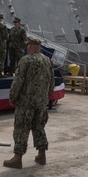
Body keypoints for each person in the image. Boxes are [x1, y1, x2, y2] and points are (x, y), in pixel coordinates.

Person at [4, 35, 53, 169]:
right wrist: (45, 97)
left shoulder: (25, 60)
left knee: (21, 127)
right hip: (41, 102)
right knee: (39, 126)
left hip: (27, 102)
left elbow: (18, 81)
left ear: (30, 47)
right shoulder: (47, 60)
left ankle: (17, 158)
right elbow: (51, 82)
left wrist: (13, 97)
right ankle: (41, 155)